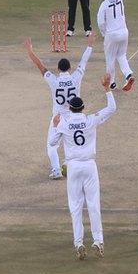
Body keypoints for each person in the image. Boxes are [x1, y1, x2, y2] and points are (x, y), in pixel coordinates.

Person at [50, 74, 115, 259]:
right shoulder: (90, 120)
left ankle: (79, 243)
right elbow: (112, 108)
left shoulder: (64, 122)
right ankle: (98, 241)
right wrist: (107, 89)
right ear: (83, 108)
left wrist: (56, 126)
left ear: (70, 108)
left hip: (73, 167)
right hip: (89, 166)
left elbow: (53, 142)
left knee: (75, 207)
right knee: (94, 204)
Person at [24, 33, 94, 179]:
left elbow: (40, 66)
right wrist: (89, 45)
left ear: (58, 68)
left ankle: (56, 170)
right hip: (74, 117)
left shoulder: (53, 80)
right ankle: (71, 167)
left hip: (57, 118)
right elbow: (83, 61)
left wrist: (31, 52)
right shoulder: (76, 77)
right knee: (71, 143)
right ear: (69, 68)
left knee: (51, 145)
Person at [96, 0, 135, 91]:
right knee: (122, 55)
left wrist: (104, 33)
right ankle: (128, 75)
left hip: (112, 34)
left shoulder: (104, 4)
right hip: (124, 32)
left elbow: (101, 21)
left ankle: (111, 83)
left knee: (110, 58)